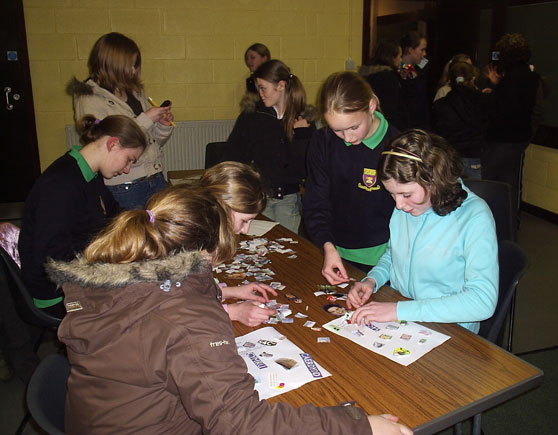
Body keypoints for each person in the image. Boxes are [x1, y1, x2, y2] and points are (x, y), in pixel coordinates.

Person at [46, 186, 413, 435]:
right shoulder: (185, 316)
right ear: (202, 253)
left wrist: (222, 304)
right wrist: (358, 424)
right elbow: (240, 424)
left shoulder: (114, 280)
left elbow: (157, 332)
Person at [347, 130, 498, 333]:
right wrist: (372, 280)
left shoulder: (475, 216)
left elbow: (482, 301)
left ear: (434, 180)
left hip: (452, 330)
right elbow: (394, 254)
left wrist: (399, 310)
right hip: (407, 316)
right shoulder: (411, 206)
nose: (399, 205)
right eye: (392, 194)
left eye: (406, 194)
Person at [18, 115, 147, 318]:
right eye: (129, 159)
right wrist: (109, 255)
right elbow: (52, 255)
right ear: (112, 144)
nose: (127, 169)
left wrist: (147, 219)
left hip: (78, 270)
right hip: (56, 289)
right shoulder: (61, 184)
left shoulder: (90, 174)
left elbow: (114, 214)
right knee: (140, 303)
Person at [302, 71, 396, 284]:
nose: (348, 137)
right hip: (334, 252)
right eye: (337, 130)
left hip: (385, 260)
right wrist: (327, 245)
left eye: (354, 127)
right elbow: (315, 202)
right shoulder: (322, 142)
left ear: (371, 106)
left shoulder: (396, 145)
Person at [67, 32, 174, 210]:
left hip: (154, 177)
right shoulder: (89, 98)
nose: (133, 71)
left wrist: (162, 127)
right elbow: (110, 144)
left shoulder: (134, 92)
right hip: (123, 186)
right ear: (112, 64)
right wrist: (147, 119)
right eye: (130, 65)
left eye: (135, 65)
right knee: (133, 236)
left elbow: (145, 144)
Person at [226, 59, 316, 233]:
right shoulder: (252, 116)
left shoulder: (302, 119)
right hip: (257, 197)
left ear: (281, 85)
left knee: (287, 248)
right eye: (258, 88)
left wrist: (300, 137)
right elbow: (233, 156)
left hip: (288, 200)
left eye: (263, 88)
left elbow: (303, 169)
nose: (260, 93)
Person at [199, 161, 278, 326]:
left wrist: (228, 292)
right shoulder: (191, 243)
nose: (245, 230)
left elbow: (193, 290)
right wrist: (233, 312)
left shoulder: (204, 231)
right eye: (244, 221)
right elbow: (176, 309)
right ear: (221, 207)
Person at [482, 33, 544, 223]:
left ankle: (483, 223)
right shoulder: (533, 77)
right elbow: (532, 109)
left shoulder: (511, 79)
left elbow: (503, 109)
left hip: (503, 139)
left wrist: (491, 93)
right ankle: (508, 225)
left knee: (486, 181)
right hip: (520, 138)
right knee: (509, 184)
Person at [432, 61, 493, 179]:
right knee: (474, 194)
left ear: (450, 80)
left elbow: (437, 132)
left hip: (450, 158)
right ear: (472, 79)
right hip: (474, 157)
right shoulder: (483, 102)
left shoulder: (441, 105)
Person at [358, 40, 406, 130]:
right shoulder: (390, 77)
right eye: (399, 56)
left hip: (368, 121)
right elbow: (394, 106)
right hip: (386, 123)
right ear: (391, 58)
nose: (401, 60)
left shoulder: (364, 75)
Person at [399, 31, 430, 130]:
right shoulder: (398, 72)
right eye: (422, 50)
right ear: (410, 50)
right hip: (406, 127)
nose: (424, 54)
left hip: (420, 125)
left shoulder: (419, 70)